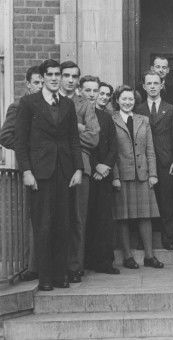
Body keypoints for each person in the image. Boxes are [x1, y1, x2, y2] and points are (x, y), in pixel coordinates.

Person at [15, 59, 83, 291]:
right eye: (51, 74)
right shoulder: (28, 103)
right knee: (43, 225)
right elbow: (20, 141)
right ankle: (45, 278)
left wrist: (78, 169)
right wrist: (26, 171)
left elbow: (74, 140)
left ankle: (60, 275)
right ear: (43, 77)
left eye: (58, 74)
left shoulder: (67, 105)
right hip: (39, 174)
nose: (55, 78)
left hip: (64, 173)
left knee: (63, 224)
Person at [111, 85, 164, 270]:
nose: (127, 102)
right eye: (124, 99)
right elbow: (112, 152)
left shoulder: (143, 120)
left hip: (143, 174)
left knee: (145, 216)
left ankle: (149, 256)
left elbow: (150, 149)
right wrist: (115, 176)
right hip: (122, 175)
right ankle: (127, 256)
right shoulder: (112, 120)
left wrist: (153, 174)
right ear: (117, 100)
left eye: (131, 99)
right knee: (123, 217)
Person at [0, 65, 43, 282]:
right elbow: (6, 136)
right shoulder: (18, 106)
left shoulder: (49, 106)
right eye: (37, 82)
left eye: (43, 82)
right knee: (31, 218)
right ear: (28, 84)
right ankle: (32, 266)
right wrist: (28, 149)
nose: (40, 86)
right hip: (29, 170)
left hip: (48, 169)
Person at [59, 60, 100, 283]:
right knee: (56, 218)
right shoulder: (50, 101)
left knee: (77, 218)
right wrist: (77, 128)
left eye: (75, 76)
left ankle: (75, 266)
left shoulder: (84, 104)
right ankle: (56, 265)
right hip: (56, 167)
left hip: (80, 166)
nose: (70, 80)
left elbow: (94, 137)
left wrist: (71, 131)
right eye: (66, 75)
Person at [136, 71, 173, 251]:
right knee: (144, 201)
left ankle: (168, 237)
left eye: (156, 83)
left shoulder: (171, 109)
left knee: (167, 200)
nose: (153, 86)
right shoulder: (138, 109)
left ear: (162, 85)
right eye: (149, 83)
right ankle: (142, 241)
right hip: (144, 162)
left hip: (166, 162)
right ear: (144, 86)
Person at [84, 81, 119, 274]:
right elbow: (86, 144)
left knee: (104, 219)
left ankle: (104, 262)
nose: (104, 97)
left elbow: (114, 145)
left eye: (107, 95)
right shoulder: (83, 114)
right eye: (101, 93)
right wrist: (96, 164)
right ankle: (86, 261)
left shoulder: (107, 118)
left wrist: (105, 166)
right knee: (87, 217)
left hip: (104, 175)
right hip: (89, 172)